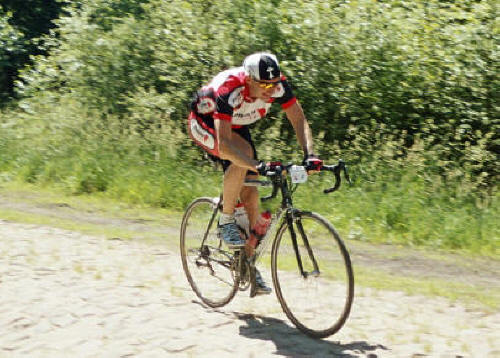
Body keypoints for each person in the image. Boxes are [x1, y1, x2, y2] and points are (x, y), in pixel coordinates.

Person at [188, 52, 322, 295]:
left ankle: (245, 266)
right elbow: (226, 145)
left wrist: (310, 154)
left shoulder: (277, 85)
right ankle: (226, 220)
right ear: (249, 79)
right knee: (243, 157)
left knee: (251, 196)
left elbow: (298, 119)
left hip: (236, 125)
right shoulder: (230, 88)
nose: (271, 90)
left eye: (274, 83)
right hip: (205, 124)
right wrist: (256, 165)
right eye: (265, 85)